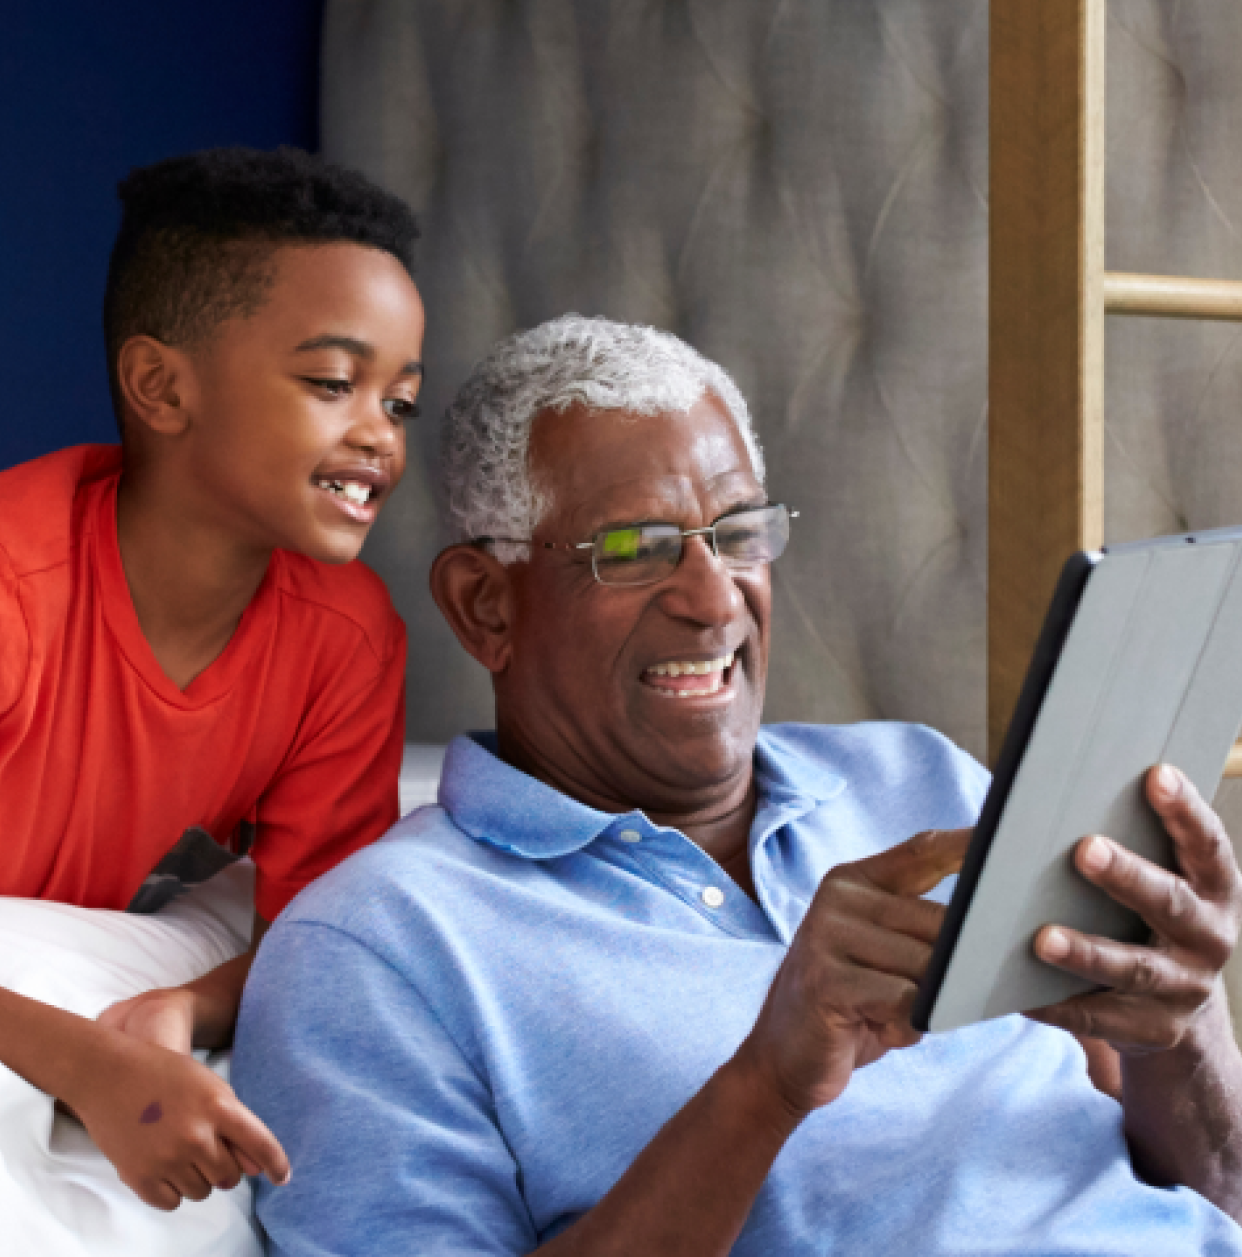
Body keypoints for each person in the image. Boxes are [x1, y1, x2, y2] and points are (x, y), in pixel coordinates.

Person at [234, 315, 1242, 1254]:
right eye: (635, 550)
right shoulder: (374, 949)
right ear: (485, 605)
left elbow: (1213, 1190)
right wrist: (764, 1085)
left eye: (739, 532)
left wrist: (1181, 1028)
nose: (715, 600)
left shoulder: (924, 777)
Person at [0, 147, 425, 1211]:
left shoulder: (345, 638)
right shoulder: (16, 590)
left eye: (402, 401)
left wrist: (185, 1006)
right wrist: (88, 1065)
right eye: (334, 384)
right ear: (162, 387)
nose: (379, 434)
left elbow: (317, 941)